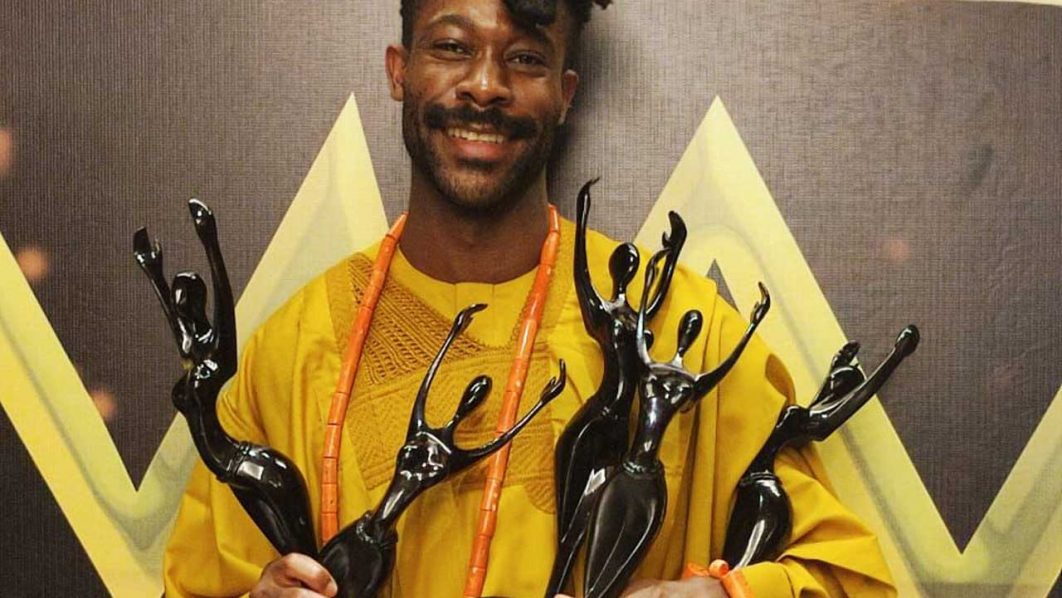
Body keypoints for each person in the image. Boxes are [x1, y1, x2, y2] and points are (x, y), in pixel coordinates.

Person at [162, 0, 897, 596]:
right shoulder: (295, 347)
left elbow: (848, 579)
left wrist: (720, 596)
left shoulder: (673, 330)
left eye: (524, 58)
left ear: (564, 94)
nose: (485, 85)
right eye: (452, 47)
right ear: (399, 71)